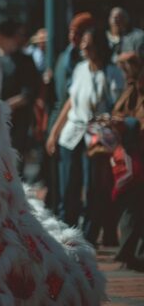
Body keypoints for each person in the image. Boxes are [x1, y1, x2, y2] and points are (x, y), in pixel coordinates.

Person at [46, 27, 124, 232]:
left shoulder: (111, 72)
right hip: (72, 132)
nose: (84, 48)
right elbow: (70, 102)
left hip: (96, 136)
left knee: (92, 187)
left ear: (98, 46)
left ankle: (89, 234)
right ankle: (66, 231)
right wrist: (54, 132)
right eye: (83, 45)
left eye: (88, 45)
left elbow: (117, 105)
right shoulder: (80, 69)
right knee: (68, 185)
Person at [0, 19, 40, 173]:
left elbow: (27, 94)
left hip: (15, 123)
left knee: (12, 169)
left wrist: (3, 106)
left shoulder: (24, 61)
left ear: (1, 34)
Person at [111, 52, 144, 270]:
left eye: (126, 67)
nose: (124, 73)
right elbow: (119, 113)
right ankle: (129, 253)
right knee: (132, 203)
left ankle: (133, 253)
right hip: (133, 153)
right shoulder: (131, 89)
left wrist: (127, 123)